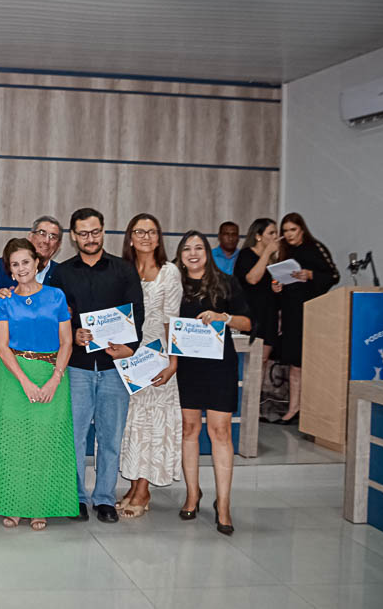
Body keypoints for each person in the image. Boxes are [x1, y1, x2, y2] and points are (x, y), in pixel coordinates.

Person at [49, 207, 144, 523]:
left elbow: (137, 315)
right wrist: (71, 333)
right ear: (73, 236)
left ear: (104, 231)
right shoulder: (62, 272)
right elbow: (57, 315)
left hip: (113, 367)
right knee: (74, 437)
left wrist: (129, 347)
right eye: (83, 233)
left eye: (96, 232)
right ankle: (75, 497)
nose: (90, 238)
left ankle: (104, 498)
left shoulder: (124, 270)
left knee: (110, 435)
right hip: (76, 366)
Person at [0, 238, 76, 530]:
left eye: (26, 262)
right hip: (13, 377)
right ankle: (12, 505)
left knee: (45, 444)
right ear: (9, 268)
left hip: (51, 374)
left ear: (37, 262)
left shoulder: (56, 296)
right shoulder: (5, 300)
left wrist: (55, 378)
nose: (21, 269)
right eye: (15, 264)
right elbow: (2, 347)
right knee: (12, 444)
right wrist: (25, 383)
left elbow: (67, 341)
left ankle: (39, 507)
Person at [173, 231, 252, 536]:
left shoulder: (226, 282)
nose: (193, 253)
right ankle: (193, 493)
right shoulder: (174, 284)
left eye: (198, 248)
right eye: (186, 249)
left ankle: (224, 504)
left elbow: (248, 322)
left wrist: (224, 317)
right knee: (189, 429)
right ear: (180, 255)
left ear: (207, 252)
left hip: (220, 367)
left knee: (219, 432)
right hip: (187, 368)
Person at [116, 214, 182, 518]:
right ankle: (133, 484)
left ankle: (143, 490)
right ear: (130, 237)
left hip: (158, 358)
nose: (146, 236)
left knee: (153, 425)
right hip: (130, 359)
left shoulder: (169, 272)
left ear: (159, 238)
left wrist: (173, 363)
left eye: (152, 231)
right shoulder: (123, 270)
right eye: (139, 231)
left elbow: (173, 321)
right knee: (134, 425)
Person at [272, 213, 339, 423]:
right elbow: (280, 283)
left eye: (292, 230)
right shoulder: (284, 251)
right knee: (294, 363)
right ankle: (293, 409)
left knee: (311, 362)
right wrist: (277, 287)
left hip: (313, 312)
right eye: (285, 231)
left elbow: (333, 275)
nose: (289, 235)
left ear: (302, 229)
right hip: (291, 313)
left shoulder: (315, 247)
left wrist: (310, 275)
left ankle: (312, 411)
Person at [233, 218, 280, 366]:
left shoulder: (272, 260)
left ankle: (258, 390)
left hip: (268, 314)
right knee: (251, 362)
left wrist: (275, 287)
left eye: (276, 233)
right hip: (251, 315)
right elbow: (252, 279)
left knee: (263, 361)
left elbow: (265, 285)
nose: (275, 237)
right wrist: (267, 253)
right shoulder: (246, 254)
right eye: (271, 233)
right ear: (258, 236)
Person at [0, 216, 63, 290]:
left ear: (58, 245)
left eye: (53, 237)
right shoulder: (5, 265)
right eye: (42, 233)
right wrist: (0, 296)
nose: (46, 241)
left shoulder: (61, 273)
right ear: (30, 236)